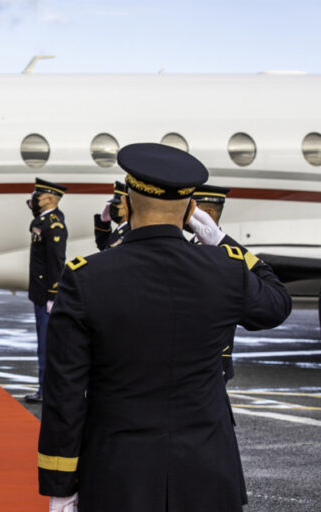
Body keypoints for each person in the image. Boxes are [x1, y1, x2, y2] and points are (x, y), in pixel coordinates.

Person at [38, 143, 291, 512]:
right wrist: (221, 240)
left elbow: (65, 395)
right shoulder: (227, 269)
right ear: (191, 209)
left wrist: (60, 487)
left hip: (118, 475)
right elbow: (276, 303)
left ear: (129, 200)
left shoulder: (85, 278)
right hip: (208, 473)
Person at [24, 178, 68, 403]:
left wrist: (53, 294)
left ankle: (46, 389)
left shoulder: (54, 224)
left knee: (46, 344)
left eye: (38, 196)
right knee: (43, 343)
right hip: (39, 292)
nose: (34, 199)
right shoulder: (44, 221)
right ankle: (44, 388)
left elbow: (56, 262)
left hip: (46, 295)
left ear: (50, 199)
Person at [191, 184, 235, 381]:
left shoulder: (228, 256)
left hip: (213, 355)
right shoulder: (187, 247)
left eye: (193, 209)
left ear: (208, 213)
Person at [93, 181, 130, 251]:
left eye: (116, 204)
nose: (112, 207)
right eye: (111, 205)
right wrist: (103, 221)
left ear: (127, 206)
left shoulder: (129, 231)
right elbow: (102, 244)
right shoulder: (120, 229)